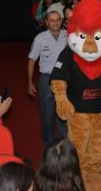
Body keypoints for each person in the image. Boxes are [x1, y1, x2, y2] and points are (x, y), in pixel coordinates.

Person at [28, 11, 67, 147]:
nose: (55, 23)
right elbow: (32, 60)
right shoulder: (40, 38)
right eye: (52, 20)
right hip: (47, 79)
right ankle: (49, 147)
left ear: (61, 21)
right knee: (47, 116)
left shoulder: (68, 35)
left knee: (65, 114)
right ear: (46, 22)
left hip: (65, 80)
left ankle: (65, 146)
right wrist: (29, 82)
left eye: (57, 20)